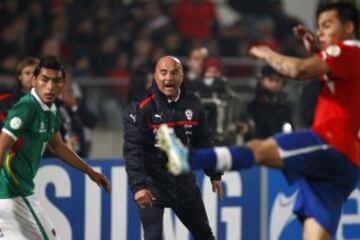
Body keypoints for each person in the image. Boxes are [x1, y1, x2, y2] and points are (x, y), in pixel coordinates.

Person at [156, 2, 360, 239]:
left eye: (327, 25)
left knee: (259, 149)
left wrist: (267, 54)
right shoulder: (349, 58)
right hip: (346, 163)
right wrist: (318, 51)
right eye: (319, 26)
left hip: (332, 144)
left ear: (348, 26)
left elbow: (300, 70)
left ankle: (189, 158)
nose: (321, 31)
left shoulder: (347, 51)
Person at [0, 56, 111, 239]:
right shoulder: (27, 108)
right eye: (45, 80)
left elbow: (58, 146)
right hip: (15, 194)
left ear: (63, 83)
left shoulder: (50, 111)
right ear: (34, 81)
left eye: (56, 80)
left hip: (16, 194)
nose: (50, 86)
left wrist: (92, 173)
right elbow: (2, 144)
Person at [123, 56, 223, 240]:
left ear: (182, 76)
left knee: (206, 236)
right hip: (153, 186)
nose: (168, 78)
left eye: (174, 72)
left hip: (184, 185)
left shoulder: (194, 103)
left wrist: (214, 172)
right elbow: (132, 150)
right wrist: (138, 186)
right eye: (163, 73)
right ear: (155, 76)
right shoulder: (138, 108)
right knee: (153, 237)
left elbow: (204, 140)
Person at [247, 65, 293, 138]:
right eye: (270, 80)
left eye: (278, 80)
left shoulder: (285, 109)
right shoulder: (253, 108)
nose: (274, 84)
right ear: (261, 81)